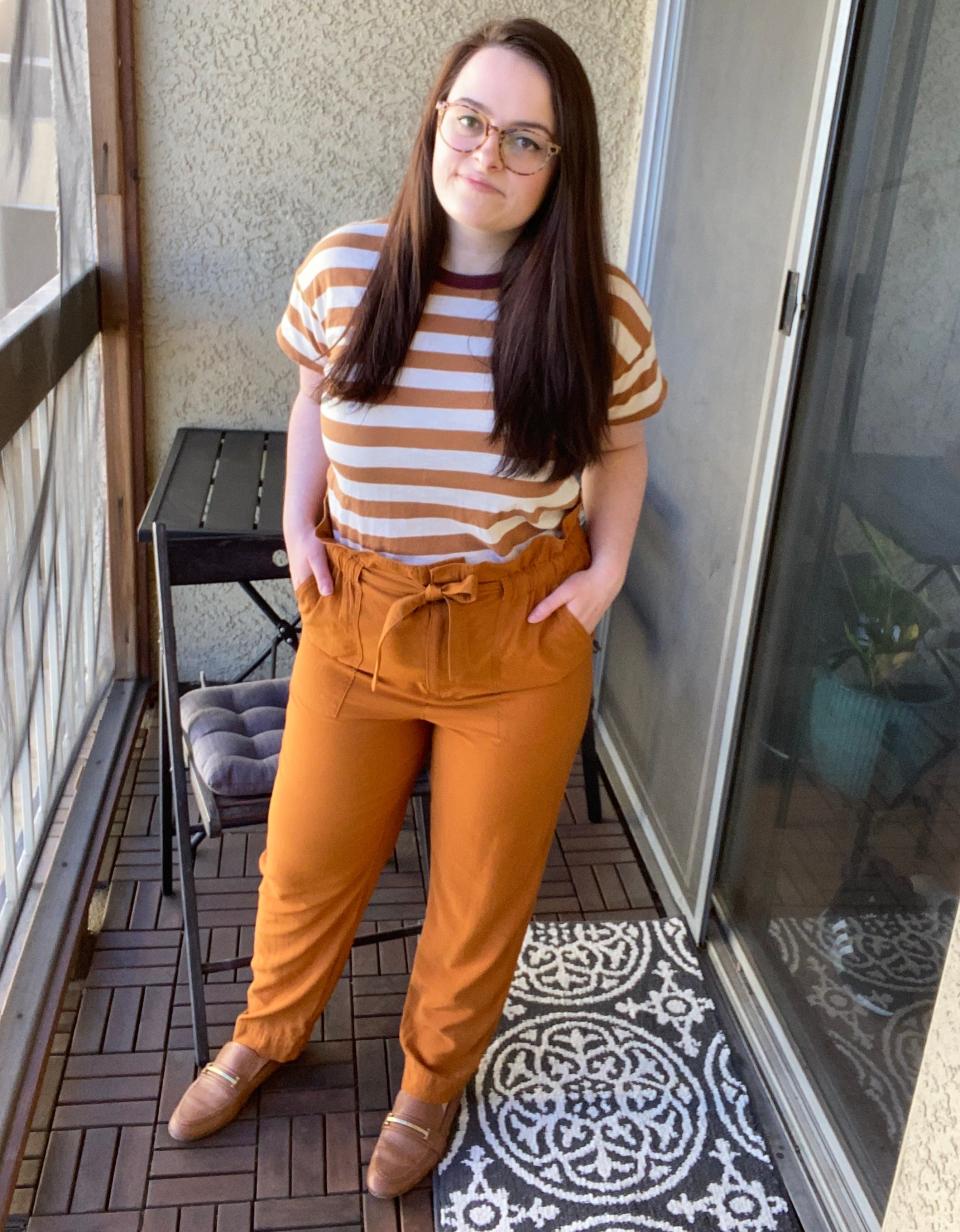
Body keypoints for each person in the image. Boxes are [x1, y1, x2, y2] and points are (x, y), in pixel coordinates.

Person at [167, 14, 668, 1201]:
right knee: (304, 859)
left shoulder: (600, 308)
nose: (488, 153)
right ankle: (266, 1033)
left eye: (526, 139)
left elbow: (624, 452)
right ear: (436, 121)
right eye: (472, 119)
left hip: (518, 632)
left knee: (481, 885)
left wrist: (602, 579)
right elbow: (307, 403)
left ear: (560, 166)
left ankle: (429, 1082)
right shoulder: (345, 267)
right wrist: (296, 525)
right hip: (361, 619)